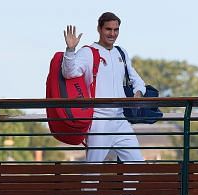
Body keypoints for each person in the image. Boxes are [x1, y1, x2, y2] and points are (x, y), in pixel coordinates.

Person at [62, 12, 146, 162]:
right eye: (108, 29)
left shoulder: (121, 52)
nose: (112, 33)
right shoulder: (88, 52)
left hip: (121, 120)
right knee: (93, 172)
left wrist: (138, 93)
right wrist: (70, 50)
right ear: (99, 29)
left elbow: (138, 81)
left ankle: (129, 187)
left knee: (137, 165)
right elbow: (69, 73)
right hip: (99, 121)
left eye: (116, 30)